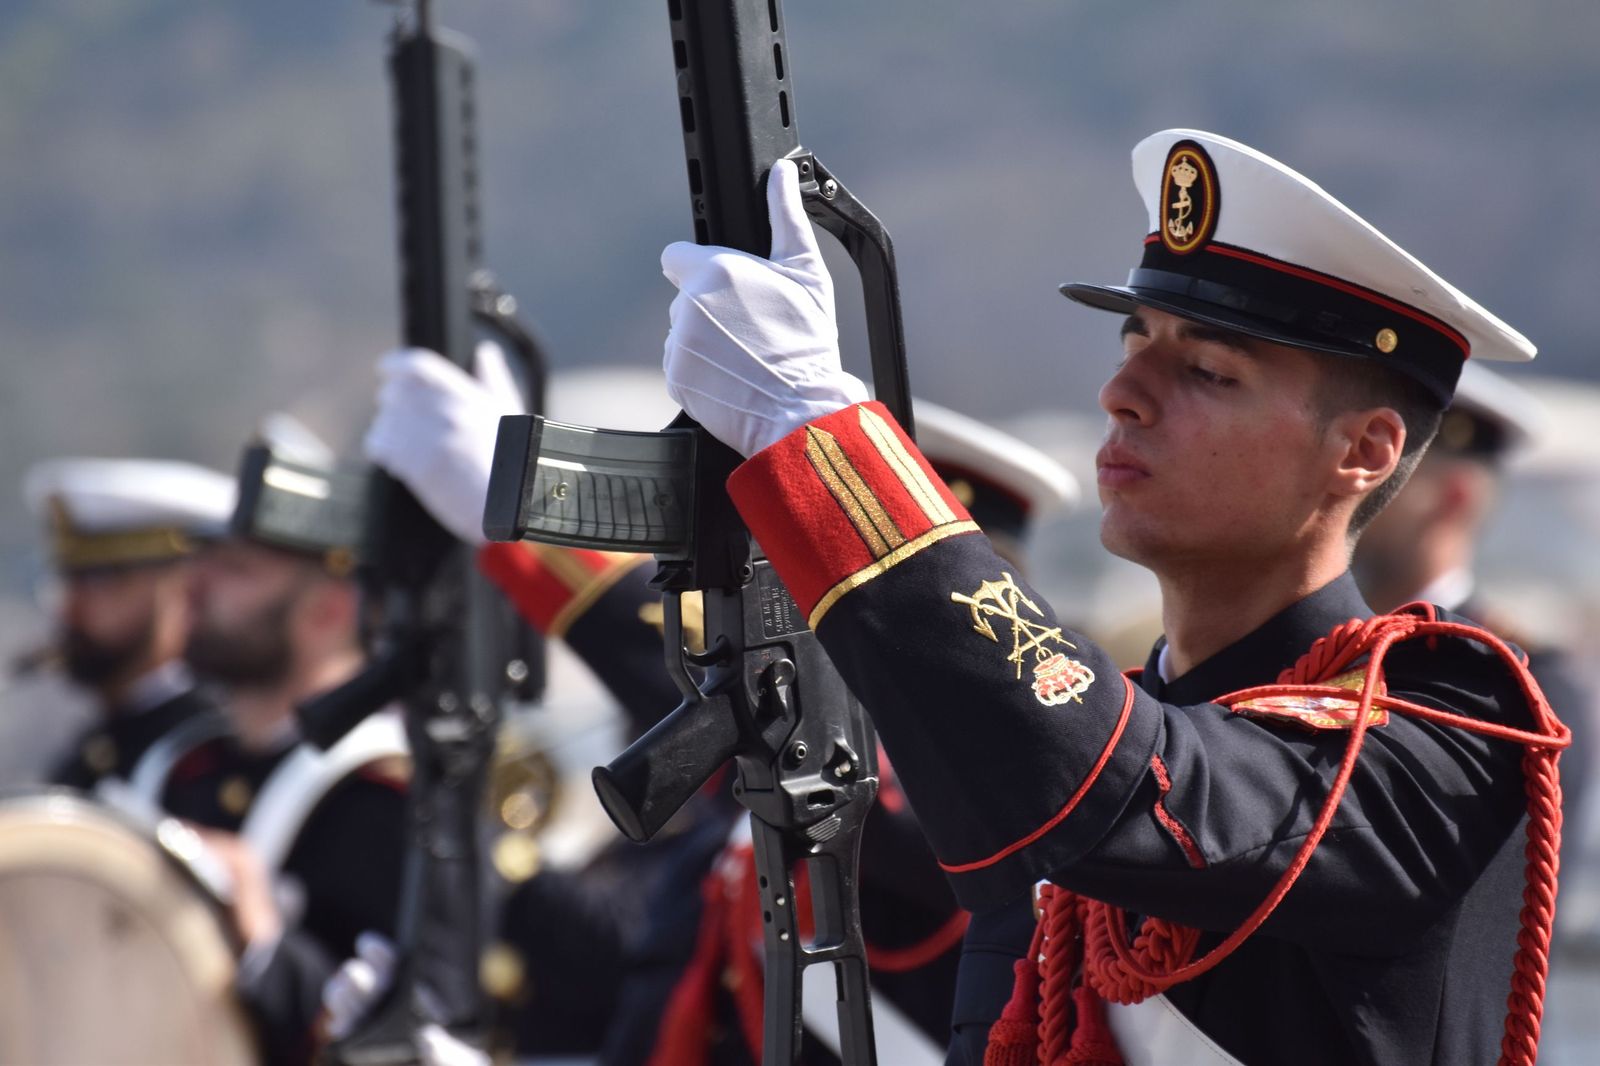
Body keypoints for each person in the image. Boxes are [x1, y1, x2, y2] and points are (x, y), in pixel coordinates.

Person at [654, 130, 1568, 1065]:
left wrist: (818, 436)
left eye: (1208, 371)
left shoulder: (1448, 733)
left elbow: (1118, 776)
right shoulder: (1127, 737)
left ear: (1364, 452)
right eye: (1135, 344)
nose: (1121, 393)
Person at [168, 425, 408, 1066]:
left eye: (237, 571)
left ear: (328, 611)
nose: (194, 588)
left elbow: (404, 1033)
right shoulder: (181, 769)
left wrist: (264, 945)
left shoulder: (385, 797)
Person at [1353, 361, 1591, 828]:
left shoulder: (1518, 685)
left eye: (1382, 475)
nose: (1352, 490)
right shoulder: (1311, 639)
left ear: (1453, 496)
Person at [20, 457, 234, 790]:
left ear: (181, 587)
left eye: (99, 580)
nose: (69, 609)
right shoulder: (91, 753)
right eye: (66, 581)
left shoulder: (209, 752)